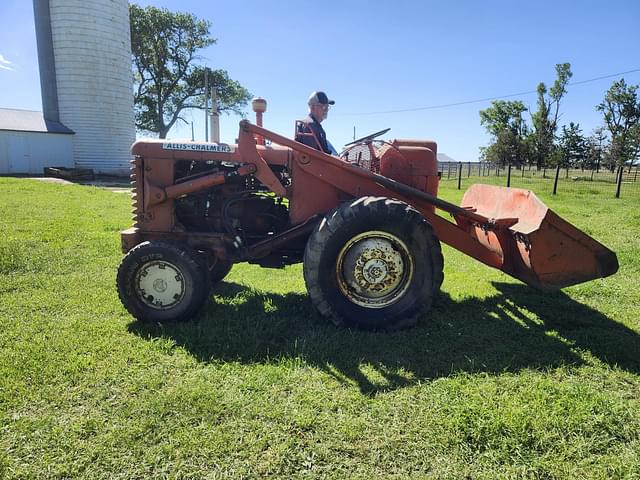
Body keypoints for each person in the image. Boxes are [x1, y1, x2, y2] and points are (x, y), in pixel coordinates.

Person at [295, 91, 338, 155]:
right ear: (312, 107)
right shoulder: (310, 126)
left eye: (327, 107)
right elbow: (313, 157)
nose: (326, 110)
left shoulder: (315, 126)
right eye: (323, 107)